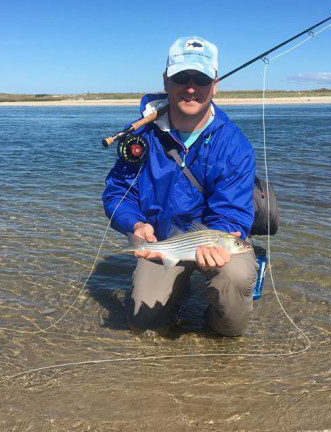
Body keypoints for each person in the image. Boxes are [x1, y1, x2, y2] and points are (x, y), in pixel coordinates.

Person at [102, 36, 258, 337]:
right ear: (165, 80)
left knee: (234, 284)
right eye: (181, 77)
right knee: (144, 327)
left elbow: (231, 212)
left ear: (215, 84)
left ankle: (217, 318)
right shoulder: (141, 137)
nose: (190, 87)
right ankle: (178, 291)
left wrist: (220, 239)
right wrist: (134, 224)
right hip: (163, 241)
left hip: (213, 239)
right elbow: (118, 192)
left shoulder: (235, 145)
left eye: (200, 78)